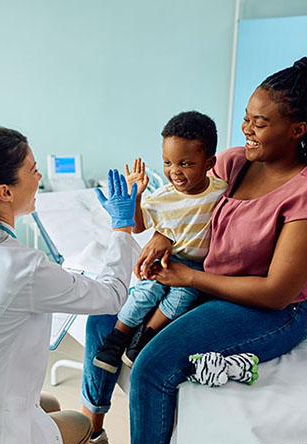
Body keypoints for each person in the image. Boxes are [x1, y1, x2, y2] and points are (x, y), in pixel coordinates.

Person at [80, 56, 307, 444]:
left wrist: (189, 277)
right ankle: (93, 434)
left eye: (259, 123)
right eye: (246, 117)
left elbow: (277, 292)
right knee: (102, 318)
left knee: (152, 368)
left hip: (269, 309)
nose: (246, 129)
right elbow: (185, 205)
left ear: (297, 130)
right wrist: (163, 235)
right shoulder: (233, 163)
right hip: (205, 285)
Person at [0, 127, 138, 444]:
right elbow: (113, 294)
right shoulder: (22, 267)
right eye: (31, 169)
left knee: (50, 402)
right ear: (5, 192)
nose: (39, 175)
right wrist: (121, 227)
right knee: (80, 425)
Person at [93, 112, 228, 374]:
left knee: (181, 298)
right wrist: (136, 198)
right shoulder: (164, 196)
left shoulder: (221, 191)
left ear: (209, 162)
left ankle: (143, 339)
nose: (174, 171)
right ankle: (116, 338)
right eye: (167, 162)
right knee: (146, 292)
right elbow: (139, 225)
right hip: (168, 258)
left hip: (196, 267)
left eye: (185, 163)